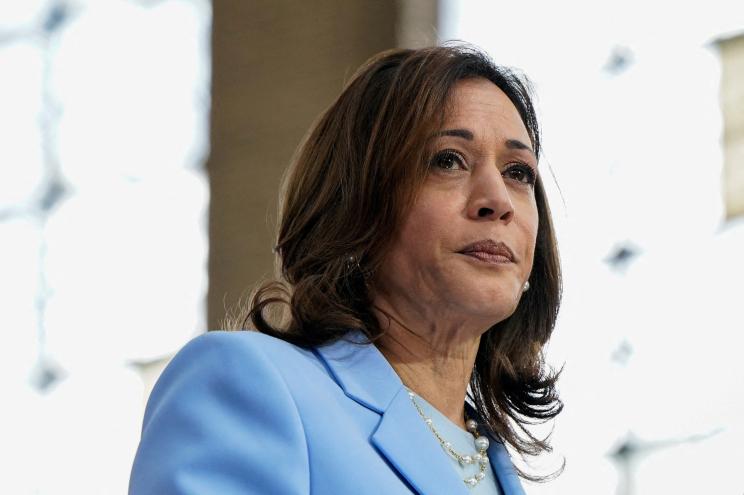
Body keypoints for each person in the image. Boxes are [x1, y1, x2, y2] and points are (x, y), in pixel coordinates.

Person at [129, 43, 563, 495]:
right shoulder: (246, 385)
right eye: (447, 160)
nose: (497, 201)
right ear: (359, 205)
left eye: (518, 172)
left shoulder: (495, 466)